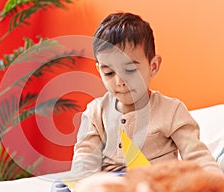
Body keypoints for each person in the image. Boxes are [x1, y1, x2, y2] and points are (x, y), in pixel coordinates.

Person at [70, 12, 222, 178]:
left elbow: (197, 156)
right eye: (108, 73)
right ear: (99, 71)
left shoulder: (171, 111)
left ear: (153, 66)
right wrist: (82, 186)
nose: (120, 81)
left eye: (130, 70)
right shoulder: (95, 112)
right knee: (63, 190)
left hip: (157, 182)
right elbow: (84, 161)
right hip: (111, 186)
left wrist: (214, 183)